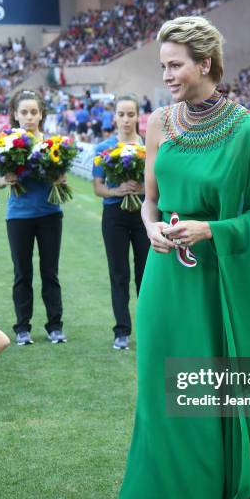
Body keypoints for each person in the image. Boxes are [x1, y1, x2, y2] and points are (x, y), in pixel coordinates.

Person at [114, 16, 250, 499]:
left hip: (223, 285)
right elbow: (150, 199)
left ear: (206, 64)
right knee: (159, 396)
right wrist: (150, 228)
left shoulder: (248, 132)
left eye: (175, 65)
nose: (166, 74)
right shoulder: (159, 124)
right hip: (167, 278)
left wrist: (212, 228)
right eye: (162, 65)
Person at [0, 89, 67, 346]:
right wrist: (5, 179)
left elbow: (62, 178)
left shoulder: (53, 145)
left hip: (49, 214)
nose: (29, 117)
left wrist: (60, 179)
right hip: (18, 216)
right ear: (15, 114)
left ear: (41, 115)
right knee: (22, 274)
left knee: (50, 273)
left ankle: (55, 327)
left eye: (34, 112)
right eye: (24, 112)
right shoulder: (5, 144)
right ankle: (22, 328)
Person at [92, 94, 150, 350]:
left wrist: (141, 189)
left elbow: (158, 185)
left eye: (131, 114)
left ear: (138, 116)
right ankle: (122, 331)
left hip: (144, 216)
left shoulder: (150, 147)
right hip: (114, 215)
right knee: (119, 274)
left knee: (145, 275)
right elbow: (98, 187)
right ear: (114, 117)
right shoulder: (103, 148)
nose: (126, 120)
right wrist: (119, 190)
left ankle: (148, 329)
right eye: (121, 114)